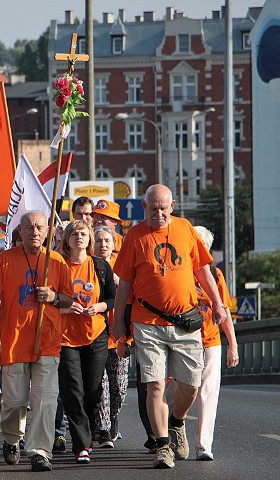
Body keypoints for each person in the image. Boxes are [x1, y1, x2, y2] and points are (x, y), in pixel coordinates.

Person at [112, 184, 227, 469]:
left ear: (172, 206)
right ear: (144, 208)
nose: (159, 214)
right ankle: (162, 445)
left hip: (185, 320)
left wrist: (218, 303)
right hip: (147, 322)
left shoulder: (185, 228)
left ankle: (176, 422)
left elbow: (203, 270)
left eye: (164, 209)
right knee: (153, 385)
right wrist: (118, 330)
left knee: (191, 385)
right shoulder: (134, 237)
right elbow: (124, 286)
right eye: (153, 209)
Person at [0, 211, 72, 473]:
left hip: (48, 339)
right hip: (15, 341)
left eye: (39, 227)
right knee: (14, 401)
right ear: (20, 231)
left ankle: (40, 451)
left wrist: (54, 296)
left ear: (47, 232)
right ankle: (12, 438)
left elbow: (69, 298)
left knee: (46, 399)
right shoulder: (5, 260)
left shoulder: (56, 260)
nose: (34, 232)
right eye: (29, 227)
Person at [165, 226, 239, 461]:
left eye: (203, 246)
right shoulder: (178, 273)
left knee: (207, 392)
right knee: (176, 390)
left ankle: (203, 445)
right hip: (181, 340)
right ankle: (175, 425)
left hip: (209, 341)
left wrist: (233, 345)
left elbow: (224, 311)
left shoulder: (216, 276)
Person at [58, 220, 115, 464]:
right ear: (67, 239)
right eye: (74, 234)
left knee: (93, 391)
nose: (79, 237)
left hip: (96, 334)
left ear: (89, 239)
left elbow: (112, 298)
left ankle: (88, 432)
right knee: (73, 391)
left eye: (83, 233)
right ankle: (80, 445)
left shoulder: (100, 266)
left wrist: (99, 307)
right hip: (65, 337)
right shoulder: (58, 266)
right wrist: (65, 307)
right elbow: (49, 299)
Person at [93, 225, 129, 448]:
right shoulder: (88, 266)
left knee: (119, 386)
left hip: (121, 336)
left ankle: (113, 419)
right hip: (97, 335)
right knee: (101, 386)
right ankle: (104, 429)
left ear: (114, 245)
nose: (103, 245)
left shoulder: (122, 267)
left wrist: (118, 281)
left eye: (107, 240)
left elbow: (134, 293)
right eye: (99, 241)